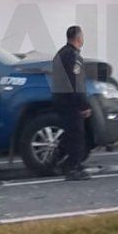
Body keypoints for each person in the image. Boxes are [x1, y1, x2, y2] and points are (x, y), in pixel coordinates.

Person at [49, 25, 93, 180]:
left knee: (69, 135)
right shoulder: (74, 57)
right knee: (77, 136)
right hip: (71, 102)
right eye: (82, 37)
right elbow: (77, 83)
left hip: (60, 100)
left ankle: (58, 162)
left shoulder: (60, 54)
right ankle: (72, 168)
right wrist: (84, 104)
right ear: (79, 38)